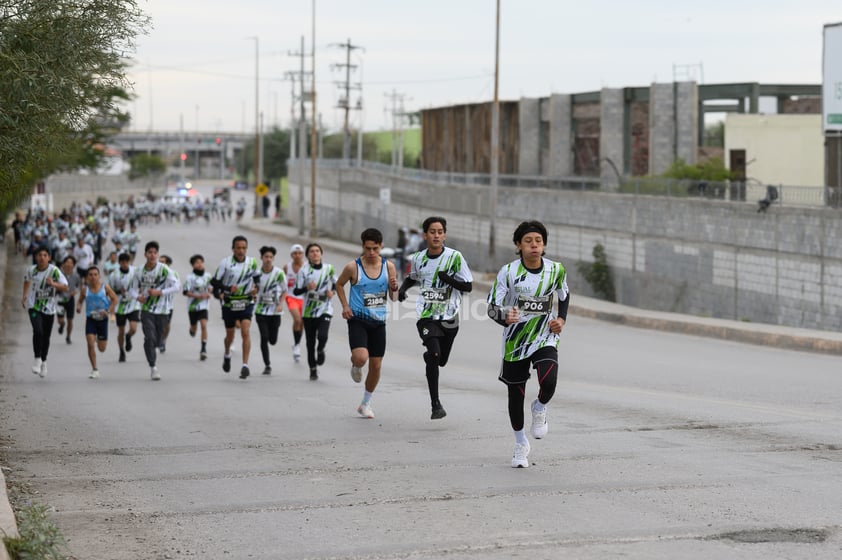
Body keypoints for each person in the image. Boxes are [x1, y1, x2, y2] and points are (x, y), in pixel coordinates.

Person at [486, 220, 569, 468]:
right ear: (518, 245)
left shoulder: (556, 270)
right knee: (515, 393)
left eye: (538, 241)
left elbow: (564, 296)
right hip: (516, 341)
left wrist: (561, 319)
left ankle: (540, 406)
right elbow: (491, 306)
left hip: (545, 335)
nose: (534, 246)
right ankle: (521, 443)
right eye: (528, 241)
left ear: (544, 245)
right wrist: (504, 316)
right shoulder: (508, 272)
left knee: (549, 380)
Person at [397, 217, 473, 420]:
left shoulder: (455, 257)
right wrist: (403, 290)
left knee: (441, 360)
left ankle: (431, 356)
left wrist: (447, 279)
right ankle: (435, 405)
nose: (436, 235)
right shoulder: (419, 258)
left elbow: (468, 286)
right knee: (435, 354)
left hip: (450, 317)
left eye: (440, 231)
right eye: (432, 231)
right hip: (426, 315)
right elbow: (413, 277)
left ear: (445, 235)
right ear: (425, 235)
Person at [334, 228, 399, 418]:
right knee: (362, 358)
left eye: (375, 249)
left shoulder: (389, 267)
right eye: (368, 248)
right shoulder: (353, 267)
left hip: (379, 321)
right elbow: (339, 284)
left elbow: (394, 297)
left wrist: (394, 288)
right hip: (358, 319)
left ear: (381, 247)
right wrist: (345, 306)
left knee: (376, 365)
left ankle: (365, 403)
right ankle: (355, 364)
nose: (371, 253)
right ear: (363, 246)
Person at [211, 235, 260, 379]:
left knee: (245, 331)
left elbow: (257, 279)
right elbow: (215, 282)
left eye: (244, 248)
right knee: (230, 335)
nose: (241, 250)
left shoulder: (252, 262)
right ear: (233, 249)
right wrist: (227, 288)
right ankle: (227, 353)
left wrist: (256, 288)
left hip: (246, 301)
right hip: (229, 302)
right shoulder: (225, 263)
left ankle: (245, 365)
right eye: (238, 248)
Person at [134, 241, 180, 380]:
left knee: (158, 339)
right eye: (150, 252)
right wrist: (138, 297)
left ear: (157, 254)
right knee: (149, 337)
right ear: (145, 255)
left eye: (155, 253)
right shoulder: (139, 270)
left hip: (163, 310)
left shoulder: (164, 269)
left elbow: (176, 287)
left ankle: (153, 346)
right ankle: (153, 367)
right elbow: (132, 289)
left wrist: (160, 292)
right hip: (147, 309)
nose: (152, 255)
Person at [22, 246, 69, 378]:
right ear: (36, 257)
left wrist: (54, 284)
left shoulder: (54, 271)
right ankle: (37, 359)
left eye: (44, 255)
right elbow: (26, 280)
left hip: (49, 309)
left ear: (49, 257)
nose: (42, 257)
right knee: (37, 331)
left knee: (46, 337)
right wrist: (25, 295)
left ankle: (44, 361)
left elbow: (65, 287)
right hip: (34, 307)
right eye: (39, 255)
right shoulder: (31, 270)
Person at [294, 243, 336, 381]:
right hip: (309, 312)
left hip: (325, 308)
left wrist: (333, 292)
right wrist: (307, 288)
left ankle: (321, 349)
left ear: (321, 253)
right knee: (310, 342)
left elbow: (337, 283)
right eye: (312, 251)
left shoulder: (328, 268)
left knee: (322, 336)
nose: (315, 253)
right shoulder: (303, 271)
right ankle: (313, 369)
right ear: (308, 255)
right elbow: (296, 290)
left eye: (317, 251)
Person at [77, 266, 118, 379]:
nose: (93, 277)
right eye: (90, 275)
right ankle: (94, 369)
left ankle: (97, 338)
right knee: (90, 344)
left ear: (99, 276)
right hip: (91, 319)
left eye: (95, 274)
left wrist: (108, 311)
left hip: (102, 320)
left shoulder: (105, 287)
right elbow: (80, 300)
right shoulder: (85, 289)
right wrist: (79, 307)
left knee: (102, 349)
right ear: (87, 277)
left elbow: (115, 299)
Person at [253, 246, 287, 375]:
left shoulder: (278, 273)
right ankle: (267, 364)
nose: (268, 259)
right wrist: (253, 293)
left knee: (272, 340)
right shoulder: (256, 274)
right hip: (260, 310)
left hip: (275, 311)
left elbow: (284, 290)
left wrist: (280, 304)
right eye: (266, 257)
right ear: (261, 258)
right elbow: (253, 288)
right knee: (264, 337)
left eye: (271, 257)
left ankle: (271, 341)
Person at [109, 252, 140, 363]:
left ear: (129, 261)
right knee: (120, 330)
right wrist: (118, 292)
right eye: (123, 262)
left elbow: (141, 283)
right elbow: (110, 291)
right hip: (120, 306)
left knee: (133, 328)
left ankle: (129, 336)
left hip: (133, 303)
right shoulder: (114, 275)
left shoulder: (135, 271)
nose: (125, 264)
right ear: (120, 263)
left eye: (127, 262)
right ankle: (121, 351)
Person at [182, 254, 212, 361]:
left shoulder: (208, 276)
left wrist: (209, 293)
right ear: (193, 265)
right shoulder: (190, 277)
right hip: (193, 306)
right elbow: (185, 292)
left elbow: (211, 288)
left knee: (204, 325)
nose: (199, 264)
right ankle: (192, 329)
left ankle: (203, 349)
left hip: (204, 305)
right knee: (194, 327)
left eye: (201, 262)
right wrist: (198, 296)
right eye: (197, 263)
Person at [282, 244, 306, 362]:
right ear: (291, 255)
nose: (297, 255)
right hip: (291, 297)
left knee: (301, 323)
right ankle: (296, 346)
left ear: (303, 255)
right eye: (295, 253)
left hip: (305, 298)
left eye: (300, 253)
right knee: (297, 320)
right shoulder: (287, 267)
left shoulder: (307, 266)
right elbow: (282, 282)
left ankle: (296, 344)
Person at [56, 255, 81, 345]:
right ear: (63, 264)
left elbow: (79, 286)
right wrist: (58, 289)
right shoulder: (59, 274)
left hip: (70, 299)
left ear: (73, 265)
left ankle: (68, 336)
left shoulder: (76, 276)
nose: (69, 264)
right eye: (67, 262)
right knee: (61, 320)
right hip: (61, 299)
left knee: (70, 320)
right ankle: (62, 325)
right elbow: (54, 284)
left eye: (71, 263)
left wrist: (75, 291)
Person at [157, 255, 178, 353]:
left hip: (168, 304)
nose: (160, 264)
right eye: (159, 261)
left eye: (163, 262)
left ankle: (163, 340)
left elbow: (177, 287)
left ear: (168, 264)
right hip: (155, 304)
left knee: (167, 324)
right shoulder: (154, 272)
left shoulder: (174, 274)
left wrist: (163, 292)